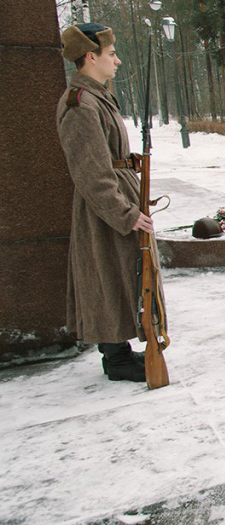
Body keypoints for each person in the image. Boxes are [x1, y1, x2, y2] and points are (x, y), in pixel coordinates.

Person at [56, 23, 156, 382]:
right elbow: (90, 173)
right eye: (111, 54)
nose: (117, 60)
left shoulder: (96, 97)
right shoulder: (80, 104)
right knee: (107, 278)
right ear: (90, 56)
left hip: (118, 197)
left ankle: (119, 351)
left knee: (122, 275)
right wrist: (125, 213)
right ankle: (115, 357)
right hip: (106, 209)